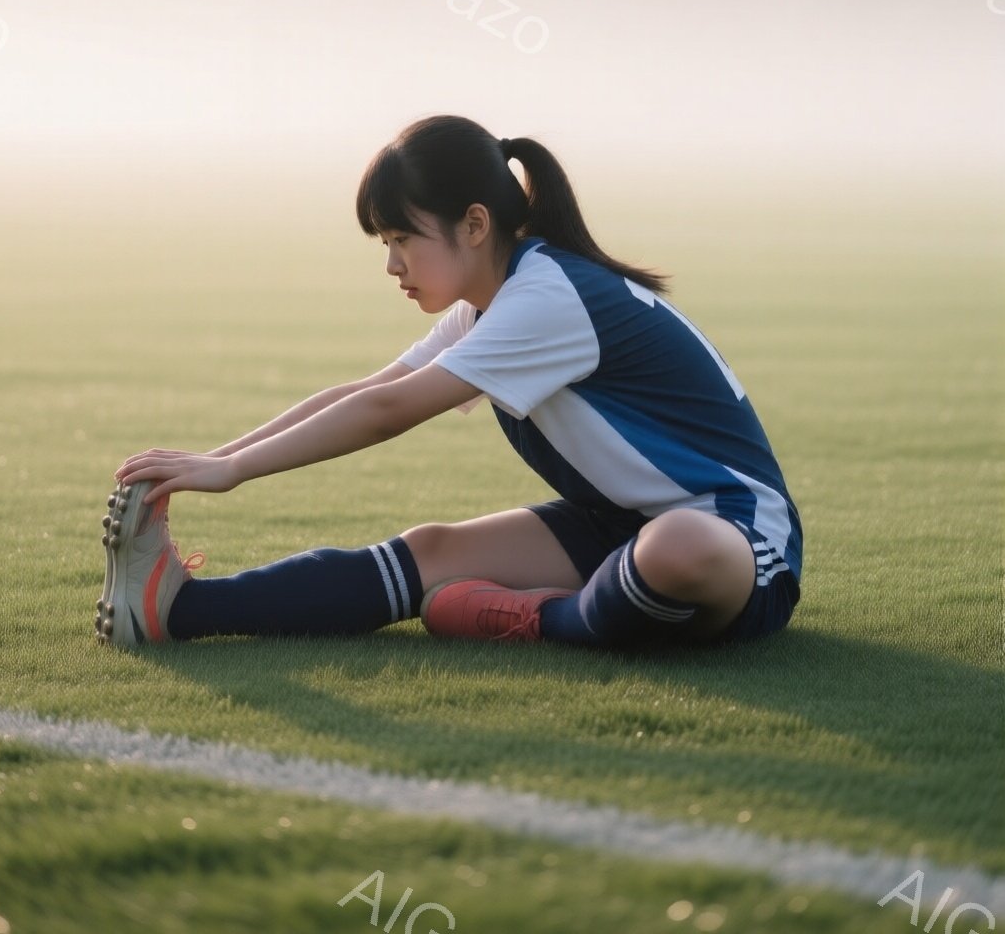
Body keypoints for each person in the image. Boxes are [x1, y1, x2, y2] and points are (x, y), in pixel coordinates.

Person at [95, 114, 802, 653]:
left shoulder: (549, 296)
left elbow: (388, 412)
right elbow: (365, 391)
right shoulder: (492, 300)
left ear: (473, 224)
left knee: (679, 547)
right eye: (385, 245)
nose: (393, 265)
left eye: (404, 239)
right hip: (617, 523)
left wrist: (232, 471)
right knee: (431, 550)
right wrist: (214, 459)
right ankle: (179, 609)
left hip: (736, 539)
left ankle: (549, 618)